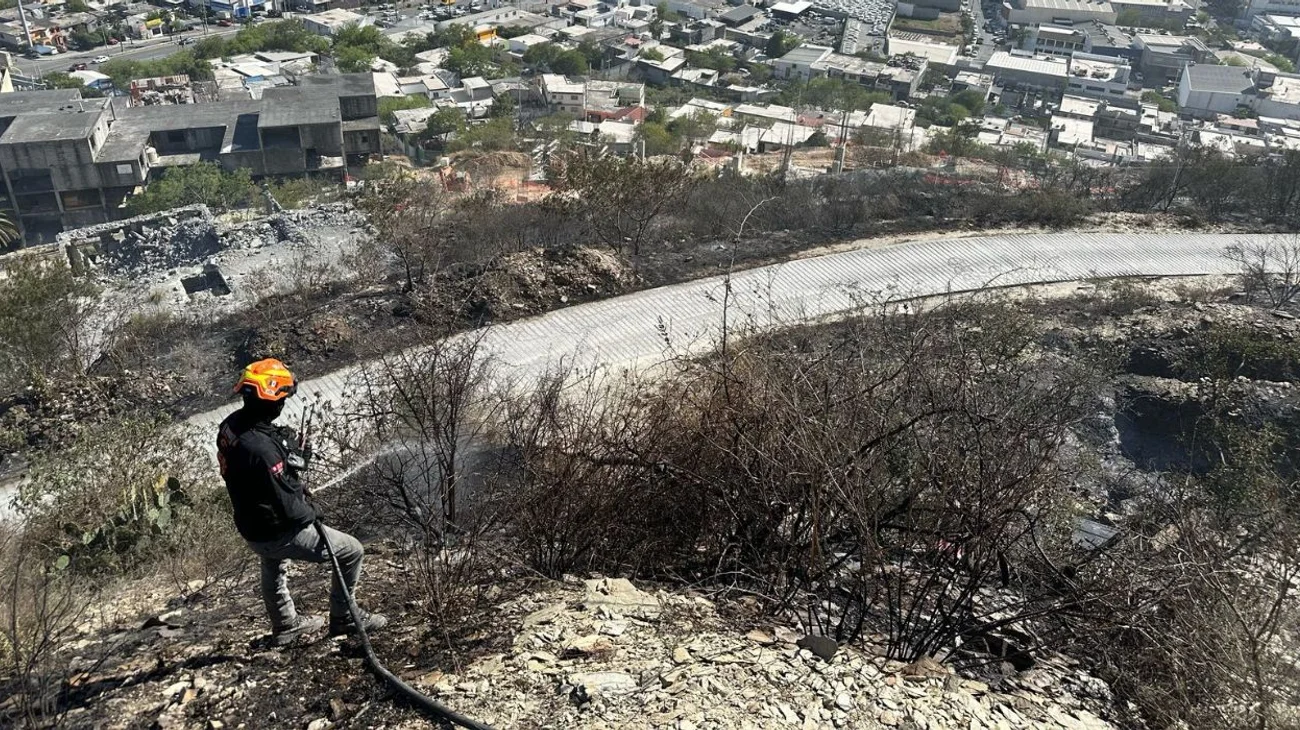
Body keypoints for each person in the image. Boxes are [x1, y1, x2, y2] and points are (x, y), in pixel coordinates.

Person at [216, 358, 387, 646]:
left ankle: (285, 626)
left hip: (252, 525)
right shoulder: (262, 450)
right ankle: (344, 617)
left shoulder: (231, 426)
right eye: (281, 398)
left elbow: (258, 472)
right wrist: (311, 508)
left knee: (273, 565)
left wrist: (284, 457)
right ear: (269, 401)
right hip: (277, 528)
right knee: (351, 551)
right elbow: (290, 509)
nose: (283, 404)